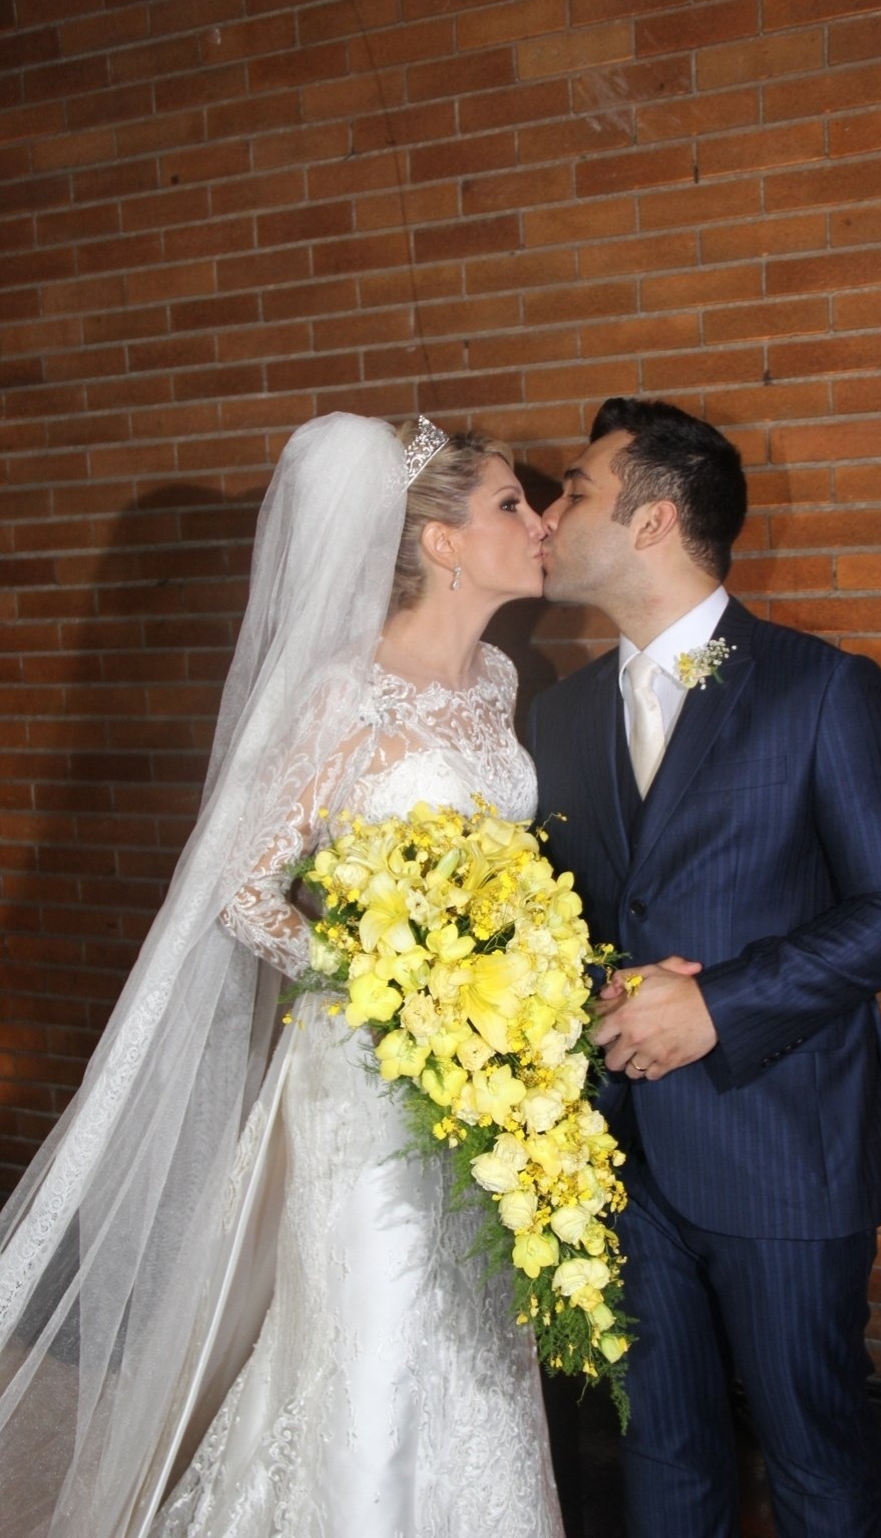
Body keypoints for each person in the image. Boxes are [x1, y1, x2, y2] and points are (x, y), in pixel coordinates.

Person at [0, 413, 564, 1538]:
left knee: (475, 1324)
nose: (540, 521)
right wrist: (380, 982)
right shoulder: (341, 694)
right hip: (369, 1066)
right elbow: (244, 892)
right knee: (382, 1322)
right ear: (441, 543)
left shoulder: (498, 678)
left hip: (491, 1069)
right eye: (510, 502)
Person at [528, 396, 881, 1538]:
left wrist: (719, 1003)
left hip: (783, 1149)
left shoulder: (819, 688)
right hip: (613, 1160)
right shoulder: (555, 718)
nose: (549, 511)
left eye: (573, 488)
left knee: (813, 1455)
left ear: (655, 519)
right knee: (658, 1447)